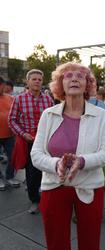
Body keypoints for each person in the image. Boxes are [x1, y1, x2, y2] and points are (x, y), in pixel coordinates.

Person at [30, 62, 105, 250]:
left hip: (90, 187)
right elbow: (36, 154)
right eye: (68, 76)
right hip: (54, 186)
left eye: (80, 76)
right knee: (56, 243)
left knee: (90, 243)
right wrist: (56, 163)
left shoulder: (100, 115)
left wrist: (82, 161)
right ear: (60, 84)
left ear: (88, 84)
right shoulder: (48, 115)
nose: (74, 78)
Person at [8, 69, 54, 214]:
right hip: (28, 140)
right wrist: (23, 134)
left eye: (39, 79)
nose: (37, 82)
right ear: (27, 82)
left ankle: (45, 196)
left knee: (46, 168)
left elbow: (54, 119)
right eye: (34, 79)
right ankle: (34, 200)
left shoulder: (48, 99)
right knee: (32, 171)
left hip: (45, 140)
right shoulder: (19, 99)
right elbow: (12, 120)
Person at [0, 77, 20, 190]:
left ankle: (9, 176)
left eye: (2, 85)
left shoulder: (10, 98)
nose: (2, 87)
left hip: (9, 135)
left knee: (13, 157)